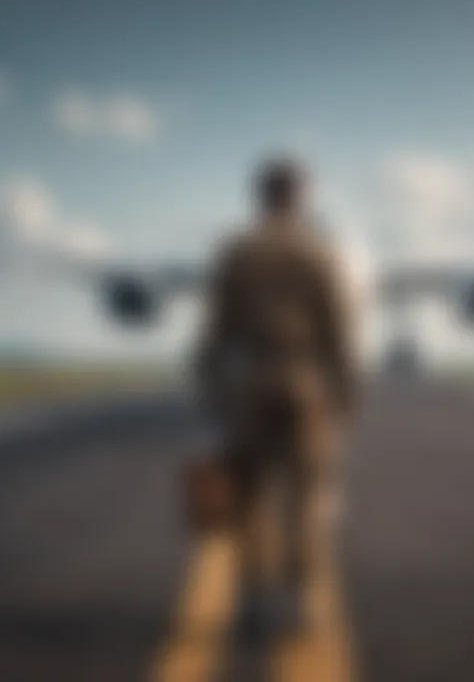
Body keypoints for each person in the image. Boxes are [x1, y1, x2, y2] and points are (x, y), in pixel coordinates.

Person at [194, 157, 359, 638]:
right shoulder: (321, 253)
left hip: (252, 381)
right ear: (302, 196)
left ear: (258, 195)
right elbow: (340, 331)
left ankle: (254, 602)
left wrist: (209, 392)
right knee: (309, 495)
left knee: (249, 496)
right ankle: (301, 601)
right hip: (305, 381)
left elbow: (215, 331)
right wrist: (346, 391)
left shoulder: (238, 252)